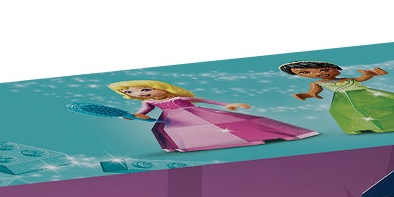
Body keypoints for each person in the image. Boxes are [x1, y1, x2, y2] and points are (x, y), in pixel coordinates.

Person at [107, 79, 315, 153]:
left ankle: (277, 134)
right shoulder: (150, 103)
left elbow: (206, 101)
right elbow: (142, 113)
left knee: (234, 124)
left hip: (198, 114)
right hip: (174, 120)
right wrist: (133, 116)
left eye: (145, 89)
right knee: (174, 132)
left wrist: (229, 105)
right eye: (131, 92)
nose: (142, 94)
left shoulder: (179, 97)